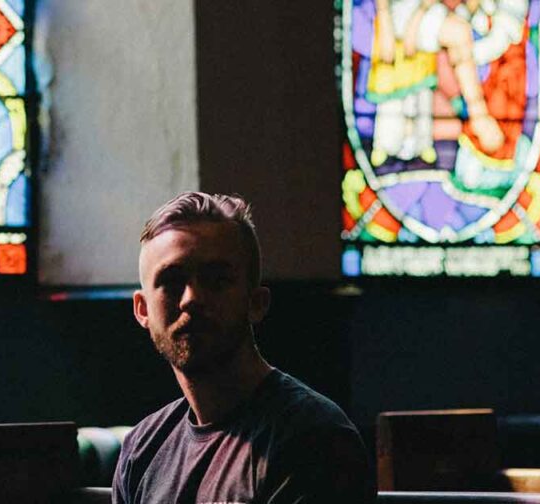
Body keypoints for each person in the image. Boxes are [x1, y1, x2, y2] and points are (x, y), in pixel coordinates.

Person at [113, 192, 374, 504]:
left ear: (256, 303)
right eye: (171, 282)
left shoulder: (314, 438)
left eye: (216, 280)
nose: (191, 299)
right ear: (142, 310)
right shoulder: (142, 449)